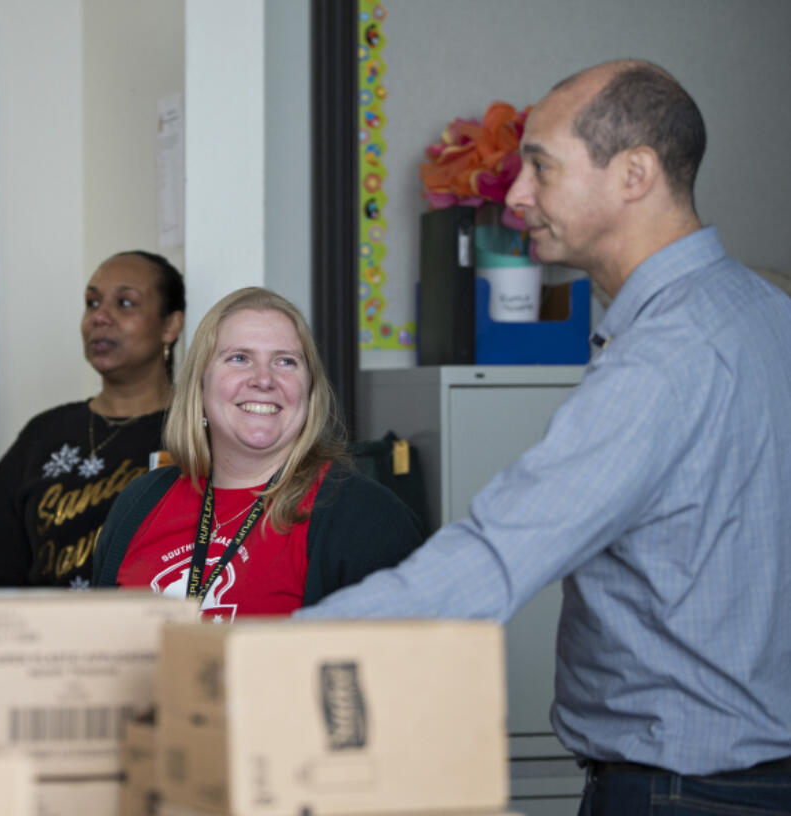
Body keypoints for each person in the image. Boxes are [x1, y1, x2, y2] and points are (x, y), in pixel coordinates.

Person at [297, 60, 791, 812]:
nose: (516, 195)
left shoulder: (659, 364)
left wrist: (253, 662)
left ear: (634, 175)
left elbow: (494, 560)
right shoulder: (765, 312)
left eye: (540, 167)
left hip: (682, 795)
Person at [90, 287, 423, 619]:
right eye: (239, 358)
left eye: (285, 361)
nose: (264, 379)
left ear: (309, 390)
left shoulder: (367, 518)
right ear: (200, 387)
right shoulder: (139, 501)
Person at [0, 251, 185, 588]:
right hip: (48, 636)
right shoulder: (42, 436)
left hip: (156, 634)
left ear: (170, 325)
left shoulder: (199, 433)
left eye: (125, 303)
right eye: (92, 303)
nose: (100, 317)